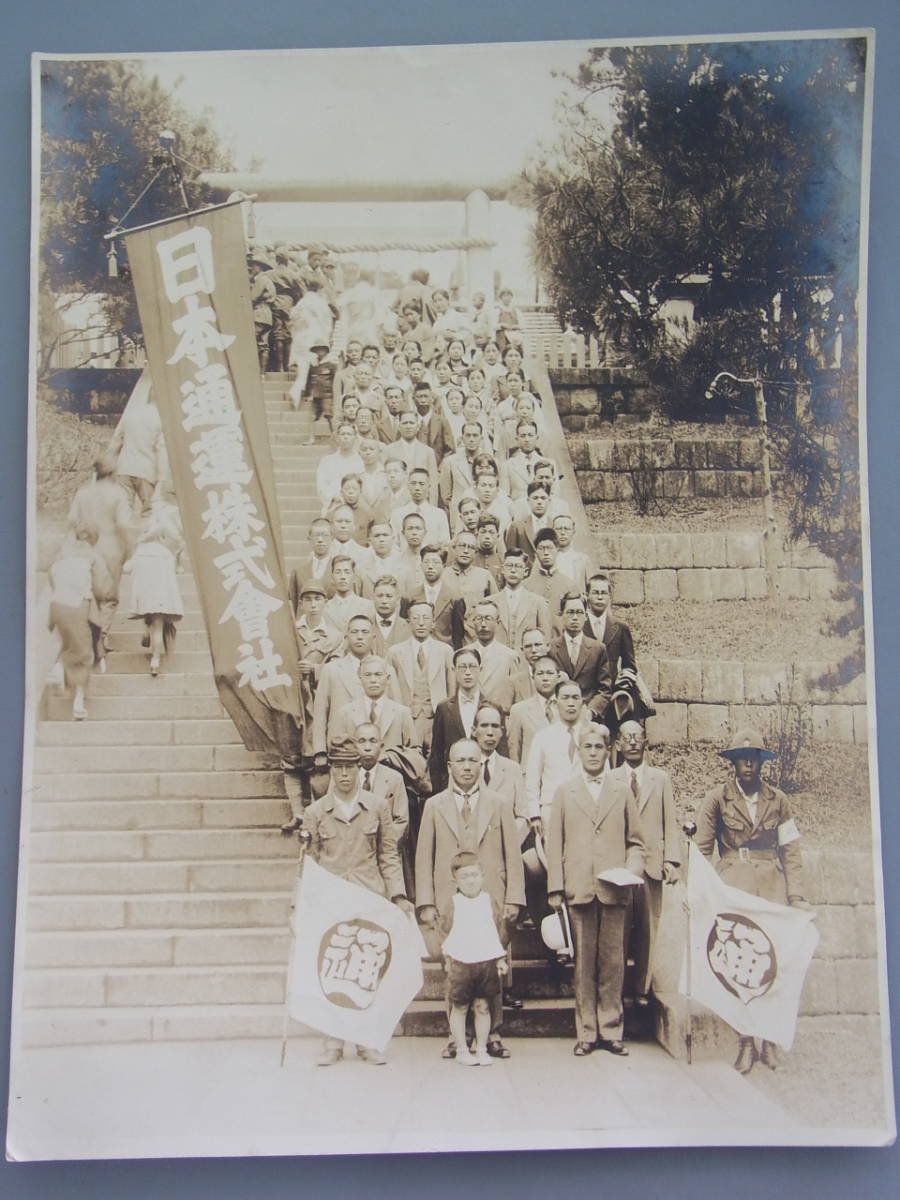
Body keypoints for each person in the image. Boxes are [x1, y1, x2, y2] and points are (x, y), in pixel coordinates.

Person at [696, 728, 812, 1075]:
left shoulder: (779, 799)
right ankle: (745, 1041)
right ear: (732, 762)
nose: (747, 762)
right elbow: (702, 849)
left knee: (774, 966)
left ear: (762, 762)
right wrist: (697, 892)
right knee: (739, 967)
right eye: (741, 756)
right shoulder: (717, 799)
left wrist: (796, 896)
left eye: (754, 756)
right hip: (732, 889)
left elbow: (790, 851)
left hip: (771, 889)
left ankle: (769, 1040)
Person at [303, 735, 413, 1067]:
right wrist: (302, 903)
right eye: (338, 767)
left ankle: (367, 1041)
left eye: (350, 766)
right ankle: (333, 1041)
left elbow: (388, 856)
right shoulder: (316, 812)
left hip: (369, 897)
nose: (345, 774)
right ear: (330, 771)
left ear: (359, 767)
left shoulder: (377, 806)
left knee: (368, 972)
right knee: (332, 970)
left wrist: (399, 896)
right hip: (332, 901)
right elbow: (308, 863)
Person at [416, 738, 525, 1060]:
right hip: (450, 903)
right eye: (459, 761)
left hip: (490, 901)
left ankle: (492, 1034)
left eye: (472, 761)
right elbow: (424, 857)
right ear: (449, 766)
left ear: (481, 765)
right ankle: (456, 1037)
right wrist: (426, 902)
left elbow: (512, 855)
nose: (466, 767)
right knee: (456, 970)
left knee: (490, 967)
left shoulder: (499, 804)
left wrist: (514, 897)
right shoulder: (434, 806)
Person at [546, 724, 647, 1057]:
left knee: (612, 963)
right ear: (579, 752)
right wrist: (556, 888)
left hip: (614, 890)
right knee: (584, 965)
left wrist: (631, 871)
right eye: (586, 746)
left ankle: (611, 1029)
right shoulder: (565, 792)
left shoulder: (621, 791)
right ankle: (586, 1032)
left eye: (598, 747)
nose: (592, 752)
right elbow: (555, 843)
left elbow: (636, 842)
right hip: (579, 889)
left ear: (608, 751)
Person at [609, 720, 680, 1007]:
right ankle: (616, 991)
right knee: (620, 927)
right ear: (618, 744)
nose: (633, 742)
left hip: (651, 862)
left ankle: (640, 988)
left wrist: (672, 860)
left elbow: (670, 821)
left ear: (646, 741)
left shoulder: (660, 779)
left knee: (649, 927)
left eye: (638, 736)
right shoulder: (610, 778)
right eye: (627, 737)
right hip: (620, 863)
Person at [440, 851, 509, 1067]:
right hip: (461, 963)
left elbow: (498, 931)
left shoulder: (490, 902)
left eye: (474, 875)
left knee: (482, 1006)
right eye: (464, 877)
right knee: (459, 1007)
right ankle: (461, 1048)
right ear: (456, 881)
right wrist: (448, 958)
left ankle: (481, 1047)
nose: (470, 881)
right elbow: (444, 931)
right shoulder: (453, 903)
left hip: (485, 963)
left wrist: (500, 959)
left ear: (483, 876)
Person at [66, 455, 135, 661]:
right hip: (111, 547)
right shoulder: (118, 494)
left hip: (86, 548)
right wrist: (130, 548)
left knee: (90, 593)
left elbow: (71, 520)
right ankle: (101, 637)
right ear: (113, 473)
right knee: (110, 597)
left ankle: (87, 635)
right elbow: (123, 524)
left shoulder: (83, 492)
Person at [47, 523, 107, 721]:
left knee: (68, 643)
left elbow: (50, 575)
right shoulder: (93, 556)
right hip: (77, 605)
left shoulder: (63, 553)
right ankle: (77, 699)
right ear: (93, 539)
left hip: (57, 605)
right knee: (84, 653)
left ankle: (60, 671)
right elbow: (102, 588)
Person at [386, 600, 455, 755]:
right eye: (416, 618)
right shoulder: (395, 652)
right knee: (409, 760)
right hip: (408, 717)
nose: (421, 623)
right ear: (409, 623)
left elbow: (452, 689)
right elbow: (389, 690)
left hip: (436, 718)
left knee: (436, 760)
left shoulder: (445, 651)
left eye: (426, 618)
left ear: (433, 623)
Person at [311, 613, 383, 758]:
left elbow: (393, 710)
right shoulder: (331, 669)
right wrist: (320, 752)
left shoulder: (385, 669)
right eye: (354, 632)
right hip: (341, 748)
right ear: (346, 637)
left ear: (373, 637)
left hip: (375, 749)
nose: (360, 637)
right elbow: (320, 713)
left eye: (365, 632)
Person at [127, 502, 183, 677]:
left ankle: (145, 630)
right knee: (158, 622)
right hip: (162, 562)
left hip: (143, 562)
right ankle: (155, 661)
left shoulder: (139, 529)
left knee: (147, 609)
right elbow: (177, 539)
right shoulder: (164, 523)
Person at [549, 592, 613, 718]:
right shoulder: (550, 648)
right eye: (570, 612)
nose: (575, 617)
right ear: (561, 616)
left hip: (587, 713)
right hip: (558, 714)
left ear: (586, 616)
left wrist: (591, 711)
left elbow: (605, 689)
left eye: (579, 612)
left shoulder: (598, 649)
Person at [333, 656, 415, 750]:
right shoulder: (345, 713)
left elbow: (415, 753)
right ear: (360, 679)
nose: (373, 680)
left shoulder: (402, 713)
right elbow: (337, 751)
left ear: (388, 679)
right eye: (367, 675)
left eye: (378, 674)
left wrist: (391, 758)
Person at [507, 653, 565, 765]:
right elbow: (514, 751)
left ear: (558, 677)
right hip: (530, 776)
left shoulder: (567, 708)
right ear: (533, 678)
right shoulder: (519, 710)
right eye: (540, 674)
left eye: (550, 673)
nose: (545, 678)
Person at [406, 545, 466, 648]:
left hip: (443, 652)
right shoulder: (410, 597)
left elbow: (458, 635)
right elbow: (405, 629)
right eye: (426, 562)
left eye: (435, 562)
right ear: (421, 565)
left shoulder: (455, 598)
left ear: (444, 566)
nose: (430, 566)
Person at [492, 548, 551, 649]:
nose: (513, 570)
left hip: (526, 662)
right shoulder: (491, 602)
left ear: (526, 572)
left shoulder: (538, 602)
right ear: (502, 569)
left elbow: (546, 640)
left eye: (518, 566)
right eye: (509, 566)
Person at [583, 573, 637, 676]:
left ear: (609, 597)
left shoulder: (620, 627)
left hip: (611, 688)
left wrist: (621, 685)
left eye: (603, 593)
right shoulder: (578, 626)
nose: (600, 597)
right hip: (583, 689)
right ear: (587, 596)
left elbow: (629, 666)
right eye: (595, 593)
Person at [523, 528, 577, 618]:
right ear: (536, 553)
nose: (546, 553)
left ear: (557, 550)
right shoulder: (525, 587)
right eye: (541, 548)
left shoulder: (570, 586)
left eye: (550, 548)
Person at [321, 556, 375, 634]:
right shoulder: (324, 608)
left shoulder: (368, 606)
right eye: (338, 572)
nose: (342, 577)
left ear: (354, 577)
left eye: (347, 572)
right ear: (332, 577)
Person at [316, 424, 364, 510]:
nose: (346, 437)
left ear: (355, 438)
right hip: (334, 505)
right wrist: (334, 496)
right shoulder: (327, 461)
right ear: (337, 438)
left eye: (349, 434)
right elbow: (322, 485)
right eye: (343, 434)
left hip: (357, 506)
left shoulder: (361, 461)